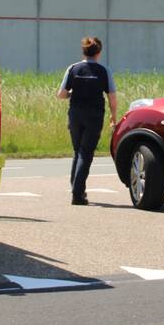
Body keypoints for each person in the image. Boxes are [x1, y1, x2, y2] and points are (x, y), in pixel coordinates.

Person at [56, 36, 118, 205]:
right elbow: (112, 97)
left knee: (78, 151)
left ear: (83, 52)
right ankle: (77, 193)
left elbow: (61, 94)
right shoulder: (104, 71)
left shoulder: (73, 68)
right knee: (86, 153)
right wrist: (113, 116)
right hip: (94, 115)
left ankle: (76, 188)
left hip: (75, 114)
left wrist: (72, 94)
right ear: (99, 52)